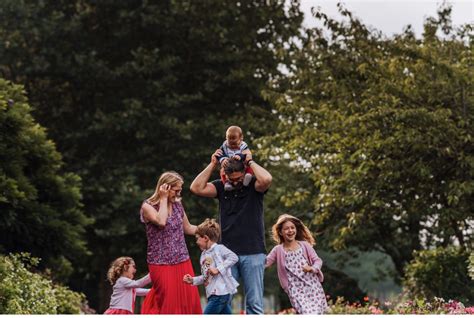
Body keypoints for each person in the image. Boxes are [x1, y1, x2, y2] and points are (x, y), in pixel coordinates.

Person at [190, 149, 272, 314]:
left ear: (244, 174)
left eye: (238, 179)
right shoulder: (221, 188)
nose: (234, 183)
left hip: (253, 252)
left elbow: (267, 178)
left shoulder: (254, 186)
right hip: (226, 254)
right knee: (222, 299)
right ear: (225, 176)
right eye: (231, 179)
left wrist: (249, 162)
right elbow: (196, 188)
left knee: (254, 303)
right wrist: (213, 163)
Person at [139, 171, 202, 314]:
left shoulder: (178, 205)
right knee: (168, 301)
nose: (179, 193)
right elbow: (161, 222)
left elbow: (188, 228)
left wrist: (209, 229)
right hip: (160, 262)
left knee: (188, 301)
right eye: (176, 190)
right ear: (165, 187)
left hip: (182, 259)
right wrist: (163, 198)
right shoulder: (147, 206)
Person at [266, 214, 328, 314]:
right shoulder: (278, 250)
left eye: (292, 228)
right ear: (281, 232)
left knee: (318, 313)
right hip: (295, 289)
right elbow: (265, 263)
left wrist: (312, 268)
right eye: (286, 229)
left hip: (313, 286)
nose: (290, 230)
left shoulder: (304, 245)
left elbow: (317, 260)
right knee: (307, 312)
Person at [183, 218, 239, 314]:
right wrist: (193, 280)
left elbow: (234, 257)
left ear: (205, 238)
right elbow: (206, 277)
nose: (196, 242)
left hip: (219, 294)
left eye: (197, 238)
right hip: (213, 295)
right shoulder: (203, 255)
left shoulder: (219, 248)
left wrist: (218, 269)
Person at [216, 125, 253, 191]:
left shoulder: (243, 145)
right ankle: (226, 183)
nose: (233, 146)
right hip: (229, 164)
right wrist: (223, 159)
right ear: (226, 139)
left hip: (241, 162)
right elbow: (220, 154)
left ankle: (248, 175)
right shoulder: (224, 146)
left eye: (235, 144)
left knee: (248, 165)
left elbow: (246, 154)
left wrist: (240, 155)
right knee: (222, 171)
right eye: (230, 144)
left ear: (241, 138)